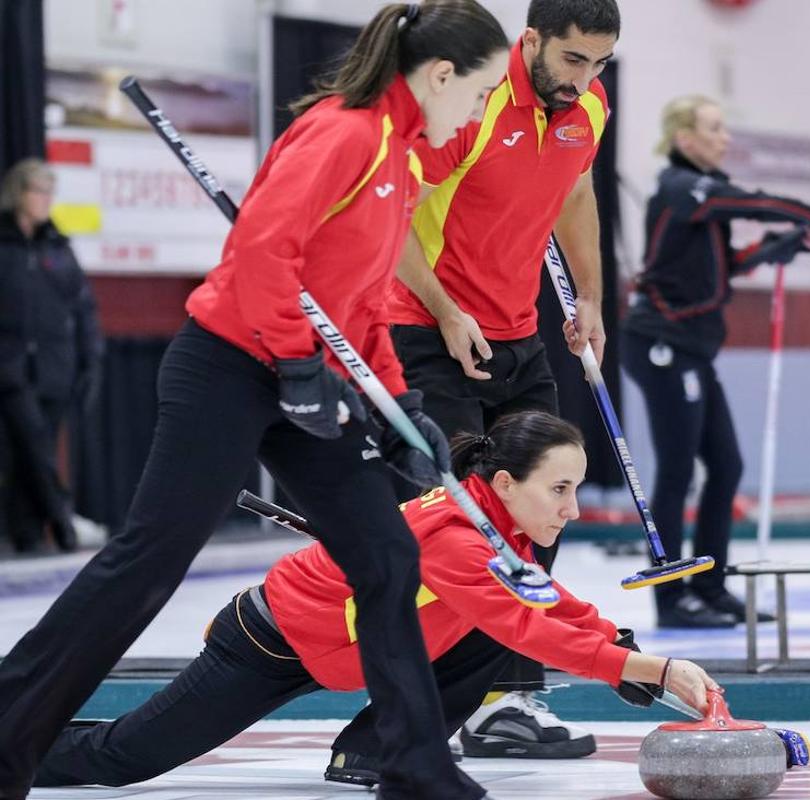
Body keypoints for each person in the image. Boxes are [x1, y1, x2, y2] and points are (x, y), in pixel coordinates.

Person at [0, 5, 511, 800]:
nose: (479, 113)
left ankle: (414, 767)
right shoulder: (342, 133)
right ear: (441, 76)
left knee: (386, 557)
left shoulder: (404, 162)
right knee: (148, 564)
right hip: (231, 365)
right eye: (480, 94)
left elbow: (365, 303)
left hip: (305, 374)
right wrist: (299, 364)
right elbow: (262, 254)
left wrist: (402, 409)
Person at [31, 411, 719, 791]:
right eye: (559, 489)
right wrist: (645, 671)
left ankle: (371, 753)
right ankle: (15, 743)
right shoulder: (459, 538)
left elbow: (544, 600)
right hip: (273, 642)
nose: (571, 508)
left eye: (576, 488)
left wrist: (616, 646)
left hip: (345, 645)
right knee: (123, 759)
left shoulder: (499, 522)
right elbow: (522, 621)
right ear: (505, 483)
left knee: (492, 631)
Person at [386, 0, 621, 757]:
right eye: (572, 60)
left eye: (599, 64)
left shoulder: (588, 107)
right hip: (427, 329)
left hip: (518, 335)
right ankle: (418, 701)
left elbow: (576, 193)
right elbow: (395, 221)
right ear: (531, 41)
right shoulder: (479, 104)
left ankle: (503, 702)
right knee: (463, 525)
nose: (584, 79)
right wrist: (448, 312)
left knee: (541, 510)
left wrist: (588, 296)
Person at [621, 94, 810, 630]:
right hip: (662, 345)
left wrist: (773, 249)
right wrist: (809, 216)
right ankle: (672, 597)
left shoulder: (698, 201)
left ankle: (710, 587)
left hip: (690, 347)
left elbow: (715, 268)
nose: (725, 137)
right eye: (714, 128)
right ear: (684, 138)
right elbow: (742, 201)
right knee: (676, 469)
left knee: (726, 464)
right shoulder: (681, 187)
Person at [0, 158, 103, 555]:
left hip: (55, 369)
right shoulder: (5, 247)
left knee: (33, 448)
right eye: (37, 191)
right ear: (18, 194)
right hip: (11, 369)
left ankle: (26, 534)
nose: (45, 200)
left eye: (49, 192)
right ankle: (64, 523)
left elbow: (83, 309)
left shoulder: (58, 248)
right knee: (33, 445)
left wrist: (90, 359)